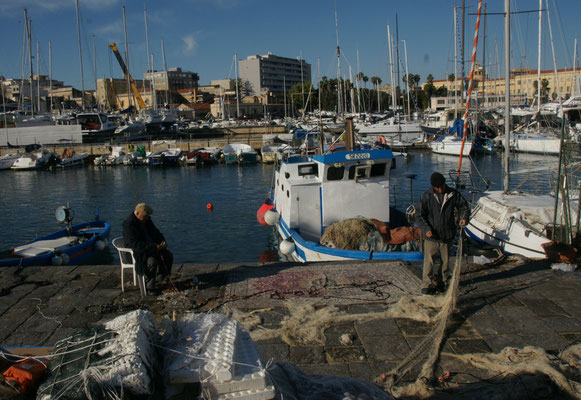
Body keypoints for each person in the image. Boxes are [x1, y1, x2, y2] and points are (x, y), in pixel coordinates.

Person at [417, 172, 469, 295]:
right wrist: (426, 229)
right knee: (429, 261)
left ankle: (442, 282)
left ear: (444, 183)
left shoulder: (453, 194)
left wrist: (464, 218)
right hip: (432, 235)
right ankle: (426, 284)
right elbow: (419, 215)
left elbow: (464, 207)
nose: (440, 189)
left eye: (441, 186)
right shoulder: (426, 196)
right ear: (433, 187)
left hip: (447, 234)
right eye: (437, 188)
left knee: (445, 262)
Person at [122, 203, 173, 294]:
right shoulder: (129, 225)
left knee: (168, 255)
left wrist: (162, 241)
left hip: (151, 249)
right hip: (138, 253)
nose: (147, 218)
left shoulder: (146, 221)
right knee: (152, 262)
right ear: (137, 213)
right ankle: (150, 287)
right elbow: (135, 244)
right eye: (145, 216)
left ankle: (161, 278)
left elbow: (156, 233)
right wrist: (153, 247)